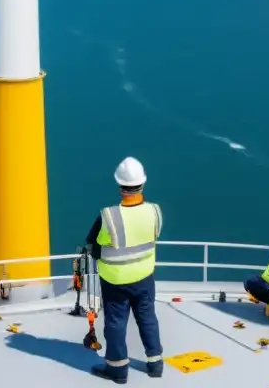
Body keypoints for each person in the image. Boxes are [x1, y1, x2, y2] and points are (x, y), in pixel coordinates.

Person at [86, 157, 163, 384]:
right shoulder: (155, 211)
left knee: (116, 323)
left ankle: (118, 370)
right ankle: (155, 364)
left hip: (116, 281)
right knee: (148, 318)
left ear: (120, 186)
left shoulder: (109, 216)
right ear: (142, 184)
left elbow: (95, 244)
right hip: (145, 277)